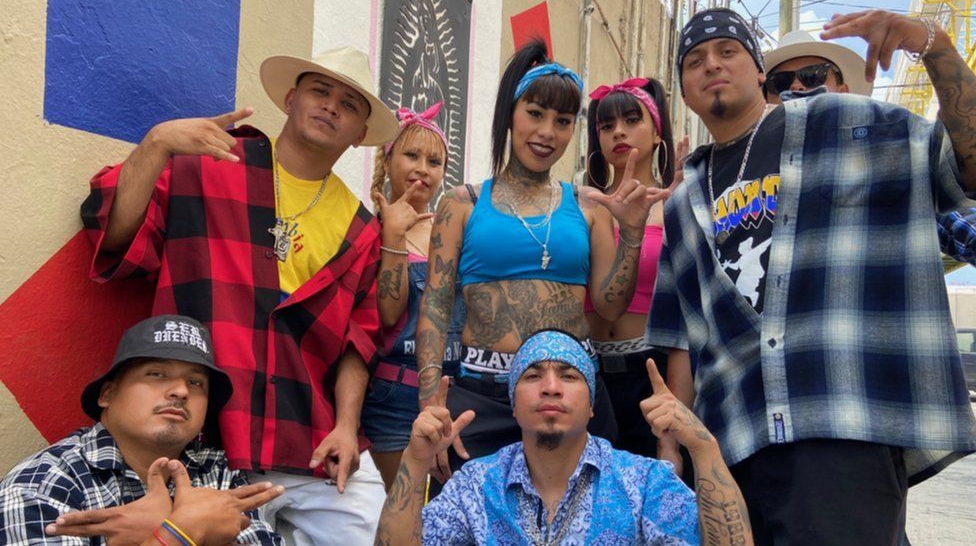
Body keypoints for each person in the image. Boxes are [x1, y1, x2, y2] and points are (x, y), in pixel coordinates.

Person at [648, 8, 976, 544]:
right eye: (695, 60)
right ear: (683, 90)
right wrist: (675, 449)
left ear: (758, 71)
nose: (712, 65)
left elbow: (966, 164)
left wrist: (931, 44)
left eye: (728, 51)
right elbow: (684, 336)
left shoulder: (846, 125)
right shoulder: (683, 203)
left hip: (839, 418)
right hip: (732, 447)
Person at [80, 47, 399, 544]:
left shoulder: (361, 229)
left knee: (381, 531)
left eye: (349, 104)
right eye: (320, 90)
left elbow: (359, 341)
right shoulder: (208, 166)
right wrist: (158, 142)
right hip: (207, 444)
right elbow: (117, 238)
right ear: (290, 99)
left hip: (310, 439)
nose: (331, 106)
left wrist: (346, 424)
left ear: (360, 133)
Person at [414, 40, 668, 482]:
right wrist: (430, 402)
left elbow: (609, 306)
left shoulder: (589, 205)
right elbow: (435, 305)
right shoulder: (461, 204)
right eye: (535, 113)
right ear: (510, 114)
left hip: (573, 397)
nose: (548, 132)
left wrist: (630, 235)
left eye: (563, 121)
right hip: (483, 399)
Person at [374, 329, 753, 545]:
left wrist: (704, 448)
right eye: (533, 375)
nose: (551, 387)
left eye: (569, 376)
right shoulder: (476, 485)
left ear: (591, 406)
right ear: (514, 404)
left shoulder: (642, 483)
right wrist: (414, 462)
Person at [0, 315, 283, 545]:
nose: (181, 391)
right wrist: (177, 533)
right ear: (107, 394)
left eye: (196, 383)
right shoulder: (46, 482)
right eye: (156, 374)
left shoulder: (219, 471)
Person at [764, 28, 976, 268]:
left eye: (812, 75)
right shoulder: (747, 170)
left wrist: (936, 46)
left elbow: (966, 227)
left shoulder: (887, 157)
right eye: (780, 83)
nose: (796, 86)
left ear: (843, 92)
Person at [364, 102, 466, 489]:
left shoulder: (453, 232)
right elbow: (388, 315)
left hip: (453, 394)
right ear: (388, 160)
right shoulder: (369, 230)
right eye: (411, 155)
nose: (423, 168)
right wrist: (393, 236)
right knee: (402, 506)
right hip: (393, 395)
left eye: (434, 161)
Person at [583, 76, 682, 463]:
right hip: (588, 374)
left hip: (653, 372)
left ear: (658, 133)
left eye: (631, 120)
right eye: (606, 125)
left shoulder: (675, 204)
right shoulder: (582, 205)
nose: (618, 132)